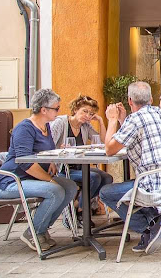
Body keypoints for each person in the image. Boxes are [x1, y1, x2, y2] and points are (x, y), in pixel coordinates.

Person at [100, 81, 161, 255]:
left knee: (106, 192)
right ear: (152, 99)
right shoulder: (160, 114)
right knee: (129, 188)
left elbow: (109, 149)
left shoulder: (136, 119)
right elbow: (138, 133)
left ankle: (149, 226)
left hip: (155, 186)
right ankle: (155, 222)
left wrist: (112, 121)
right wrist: (124, 120)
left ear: (130, 101)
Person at [0, 89, 78, 251]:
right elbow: (25, 162)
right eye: (56, 108)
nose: (58, 111)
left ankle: (41, 228)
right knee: (56, 190)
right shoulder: (24, 128)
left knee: (70, 186)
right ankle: (33, 232)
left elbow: (43, 152)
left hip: (32, 179)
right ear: (43, 109)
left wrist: (51, 161)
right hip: (12, 181)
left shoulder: (45, 126)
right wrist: (49, 179)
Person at [50, 94, 113, 227]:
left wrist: (101, 121)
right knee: (94, 177)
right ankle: (81, 212)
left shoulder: (85, 126)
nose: (87, 116)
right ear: (75, 109)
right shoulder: (60, 123)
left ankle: (77, 206)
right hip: (62, 169)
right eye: (85, 111)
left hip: (80, 167)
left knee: (107, 178)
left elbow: (102, 141)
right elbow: (48, 146)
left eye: (91, 114)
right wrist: (58, 150)